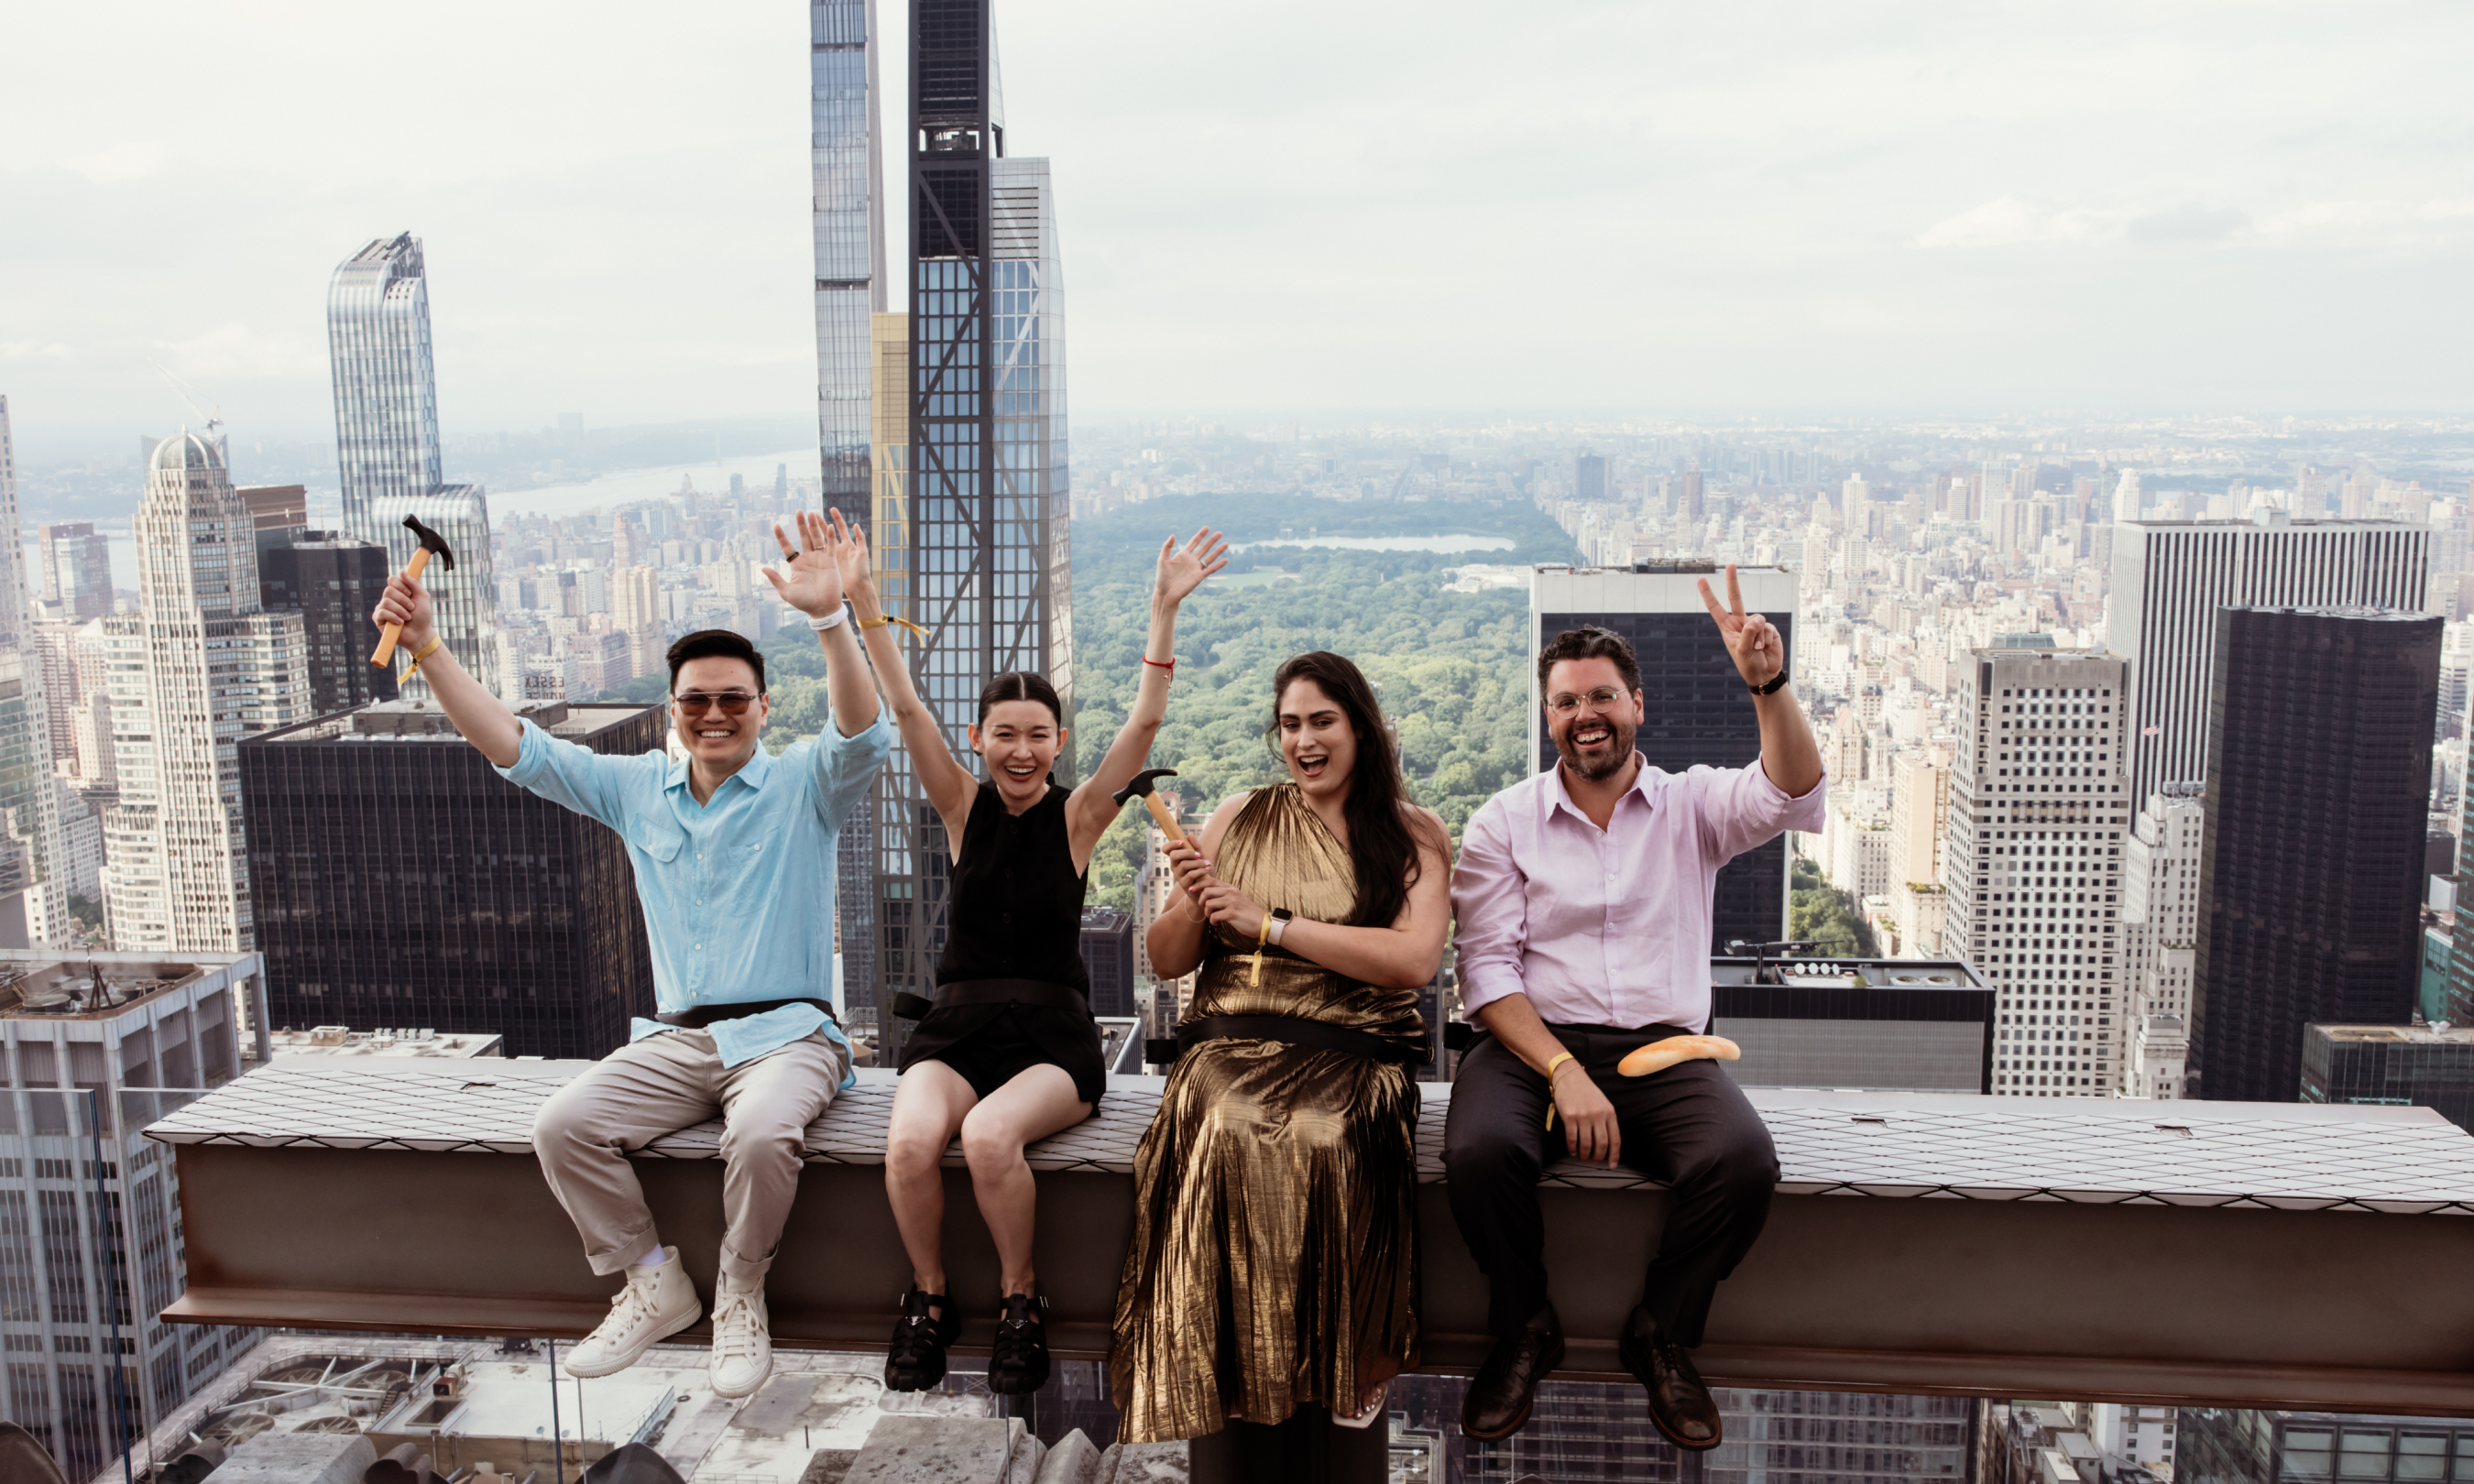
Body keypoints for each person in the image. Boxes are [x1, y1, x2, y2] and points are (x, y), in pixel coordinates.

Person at [368, 510, 889, 1401]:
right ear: (672, 712)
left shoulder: (806, 783)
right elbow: (518, 751)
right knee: (563, 1126)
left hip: (789, 1035)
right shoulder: (639, 789)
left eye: (734, 699)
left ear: (764, 708)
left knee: (762, 1135)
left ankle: (740, 1286)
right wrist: (427, 649)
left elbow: (864, 733)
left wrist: (831, 618)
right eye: (695, 701)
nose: (715, 714)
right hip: (676, 1041)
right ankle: (653, 1281)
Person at [839, 510, 1229, 1396]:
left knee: (985, 1137)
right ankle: (929, 1298)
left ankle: (1021, 1297)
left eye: (1038, 735)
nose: (1021, 750)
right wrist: (864, 605)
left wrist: (1162, 611)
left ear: (1058, 744)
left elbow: (1146, 722)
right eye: (1003, 735)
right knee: (907, 1144)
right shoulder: (959, 804)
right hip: (957, 1029)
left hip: (1053, 1039)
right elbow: (905, 708)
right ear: (978, 742)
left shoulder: (1079, 815)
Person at [1444, 567, 1826, 1450]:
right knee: (1479, 1151)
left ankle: (1661, 1332)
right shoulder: (1504, 823)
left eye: (1604, 696)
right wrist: (1564, 1070)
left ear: (1637, 706)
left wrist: (1768, 683)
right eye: (1569, 701)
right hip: (1534, 1046)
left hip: (1665, 1049)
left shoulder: (1692, 805)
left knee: (1740, 1162)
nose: (1588, 714)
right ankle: (1523, 1328)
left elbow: (1793, 792)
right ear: (1549, 719)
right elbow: (1488, 973)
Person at [1111, 651, 1453, 1471]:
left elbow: (1413, 963)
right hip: (1230, 1043)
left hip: (1355, 1051)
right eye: (1291, 724)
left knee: (1327, 1127)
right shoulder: (1237, 814)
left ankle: (1350, 1351)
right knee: (1226, 1118)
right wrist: (1189, 894)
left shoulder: (1415, 832)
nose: (1304, 739)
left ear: (1361, 729)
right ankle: (1229, 1355)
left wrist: (1270, 924)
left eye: (1322, 721)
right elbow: (1165, 961)